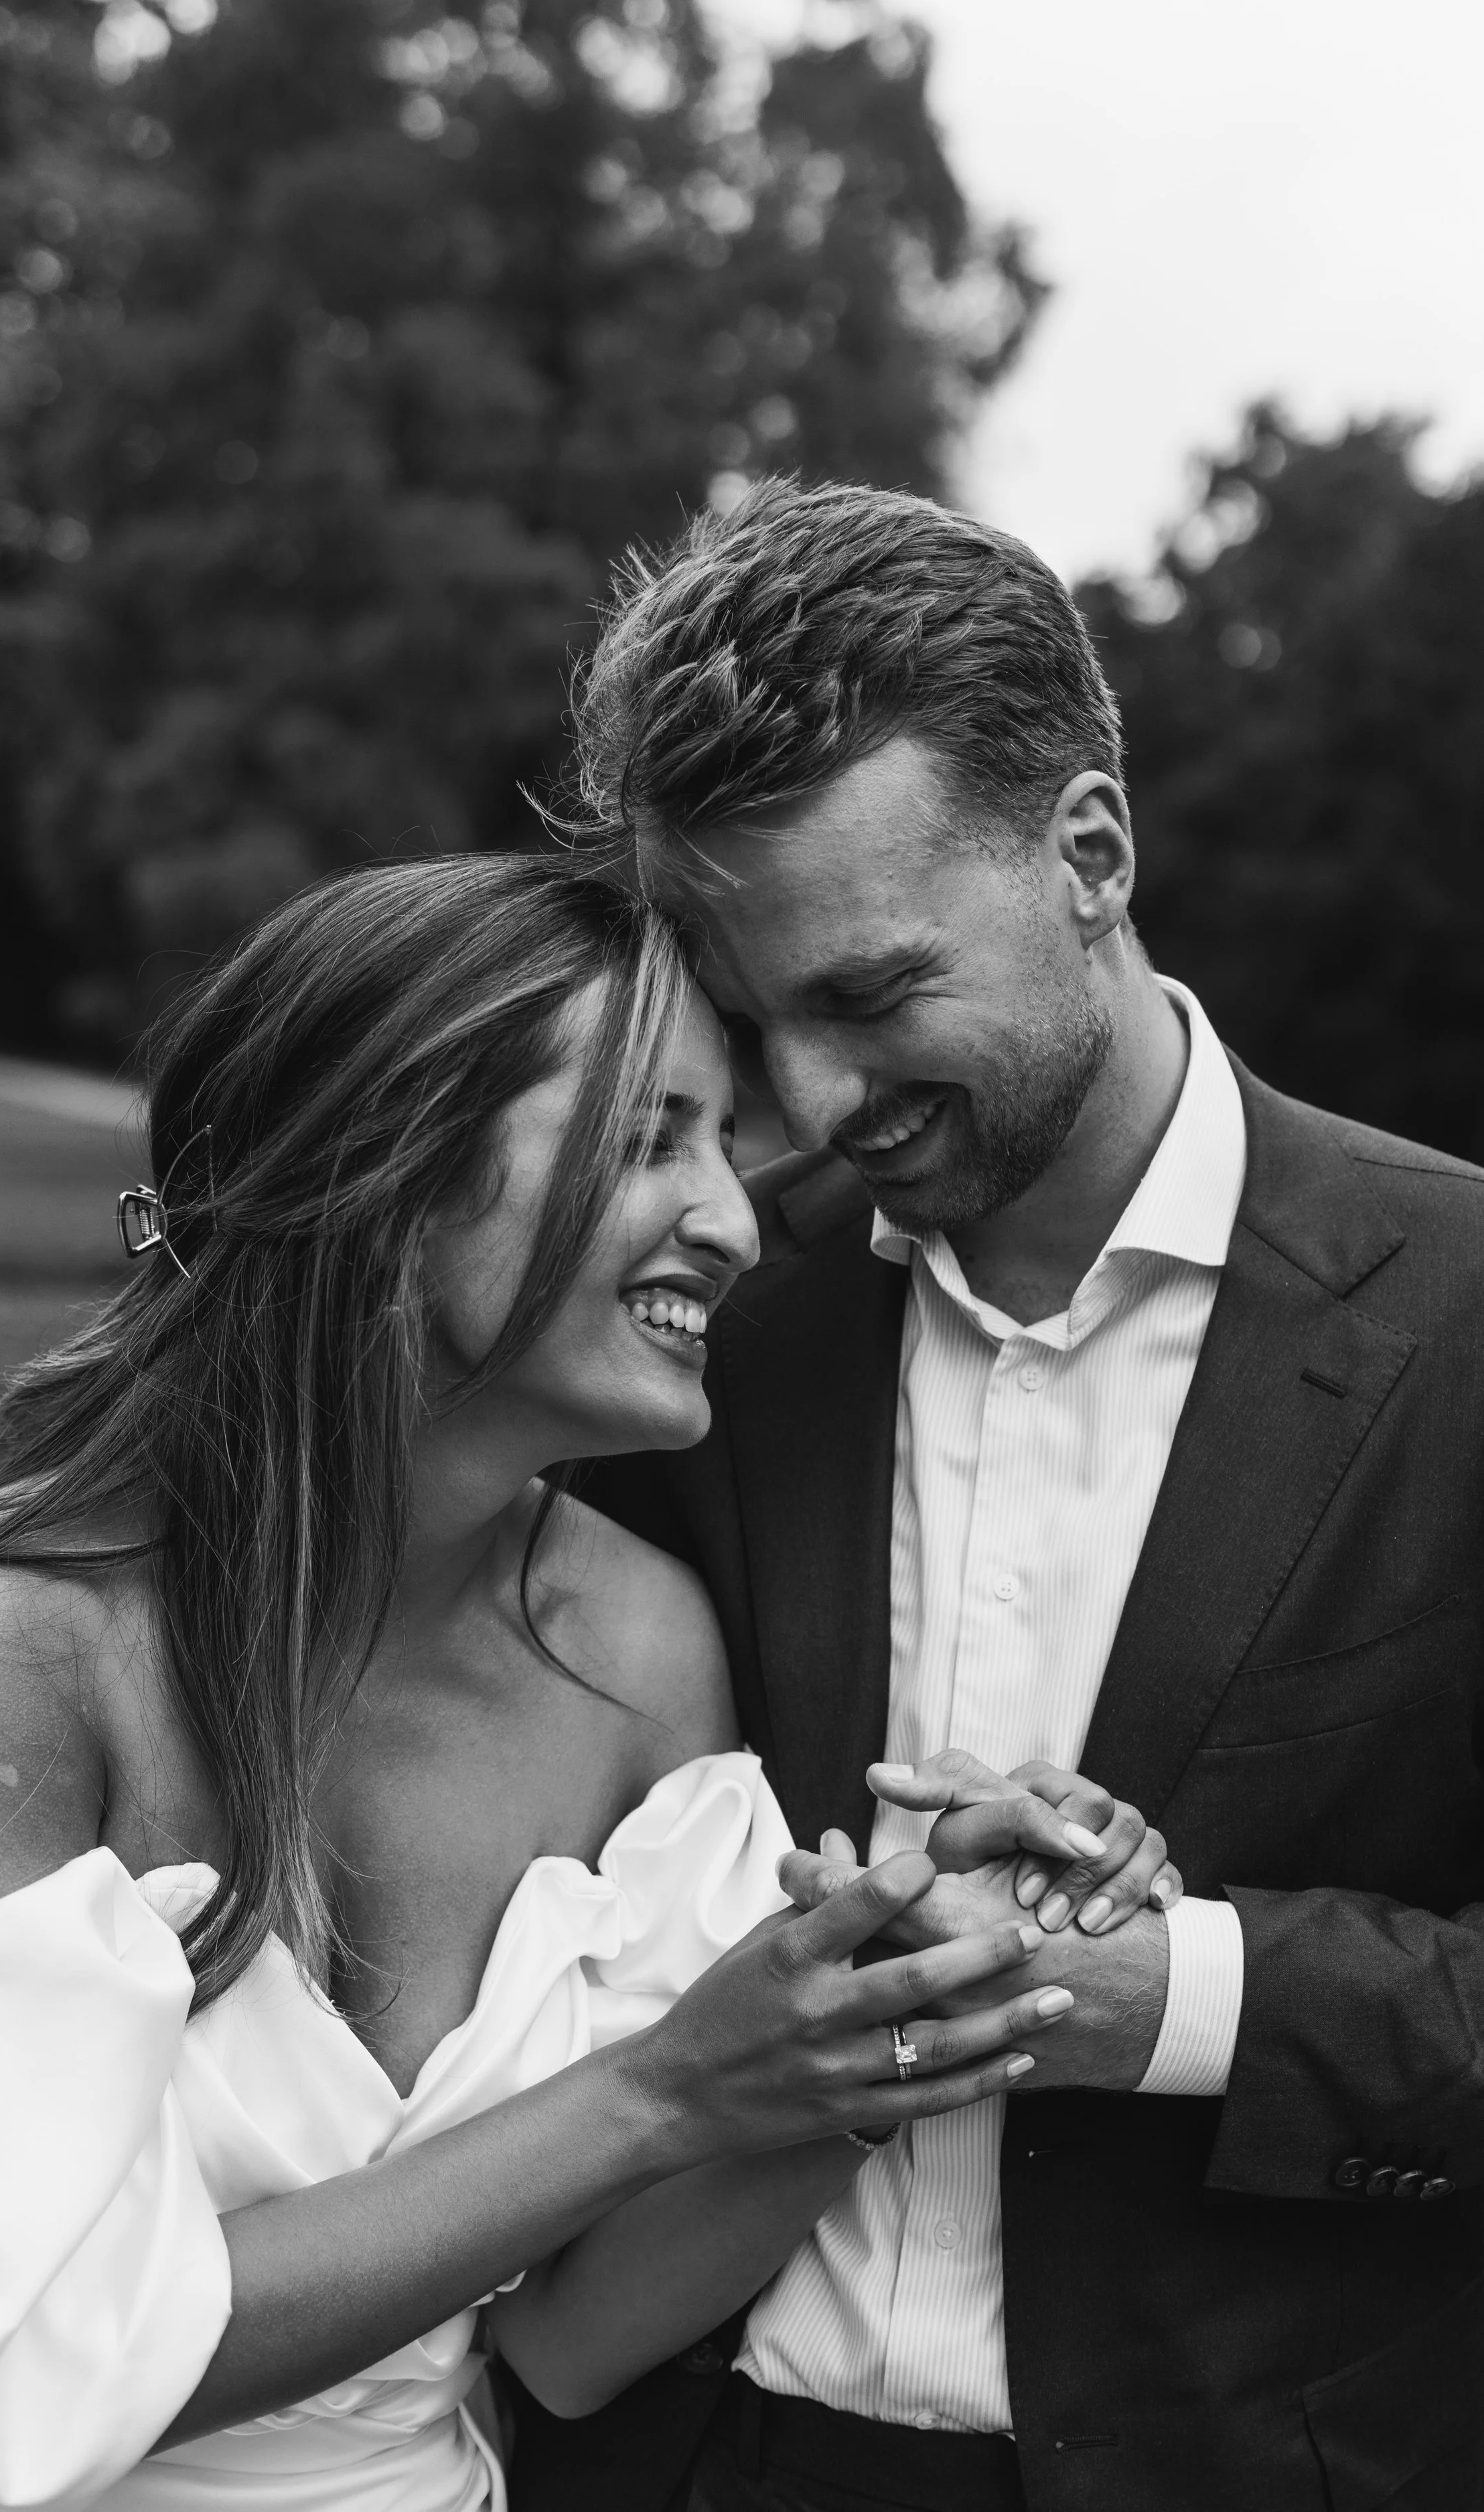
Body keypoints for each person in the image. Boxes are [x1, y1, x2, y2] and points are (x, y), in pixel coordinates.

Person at [0, 857, 1161, 2512]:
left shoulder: (638, 1647)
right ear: (393, 1173)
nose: (737, 1221)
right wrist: (655, 2094)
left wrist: (874, 2003)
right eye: (647, 1136)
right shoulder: (8, 1661)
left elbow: (569, 2340)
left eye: (721, 1144)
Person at [509, 480, 1484, 2512]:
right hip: (692, 2456)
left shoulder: (1461, 1314)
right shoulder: (684, 1329)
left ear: (1091, 857)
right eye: (749, 1021)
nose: (806, 1105)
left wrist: (1172, 1993)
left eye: (866, 998)